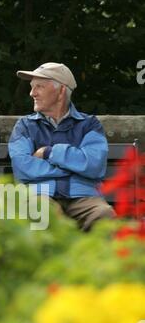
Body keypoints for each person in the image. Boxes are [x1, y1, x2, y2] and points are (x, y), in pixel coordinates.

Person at [8, 62, 116, 231]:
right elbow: (22, 167)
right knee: (40, 212)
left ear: (61, 91)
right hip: (40, 195)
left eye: (39, 87)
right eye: (32, 87)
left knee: (104, 215)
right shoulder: (25, 125)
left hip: (83, 197)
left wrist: (49, 152)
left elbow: (94, 164)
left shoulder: (89, 125)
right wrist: (74, 166)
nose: (32, 93)